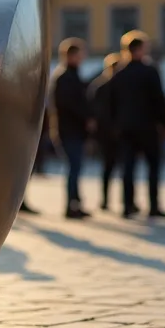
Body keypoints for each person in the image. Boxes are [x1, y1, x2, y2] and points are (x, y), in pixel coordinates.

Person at [108, 31, 165, 219]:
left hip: (126, 127)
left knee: (128, 167)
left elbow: (111, 102)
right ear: (140, 49)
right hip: (147, 127)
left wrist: (115, 125)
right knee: (153, 166)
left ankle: (127, 206)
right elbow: (159, 99)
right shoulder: (150, 71)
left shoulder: (119, 73)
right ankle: (153, 206)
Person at [51, 38, 92, 219]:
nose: (82, 57)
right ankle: (71, 206)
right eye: (80, 54)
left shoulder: (70, 75)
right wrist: (86, 117)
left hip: (71, 130)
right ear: (71, 55)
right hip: (69, 130)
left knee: (76, 167)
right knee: (74, 167)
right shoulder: (65, 77)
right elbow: (68, 105)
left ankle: (75, 203)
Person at [89, 53, 122, 210]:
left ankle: (107, 200)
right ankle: (107, 200)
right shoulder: (103, 87)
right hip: (110, 134)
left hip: (110, 133)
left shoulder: (99, 86)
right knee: (110, 167)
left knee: (110, 167)